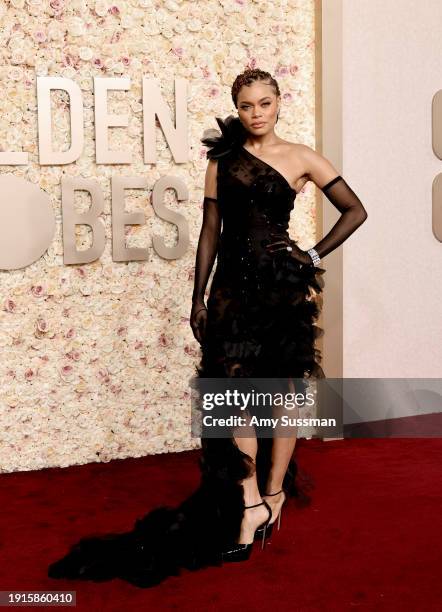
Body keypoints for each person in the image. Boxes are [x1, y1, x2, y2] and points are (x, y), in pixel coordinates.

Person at [47, 68, 367, 587]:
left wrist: (308, 255)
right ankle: (247, 503)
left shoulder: (303, 157)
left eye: (265, 103)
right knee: (234, 389)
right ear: (236, 108)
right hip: (231, 289)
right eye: (247, 105)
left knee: (283, 391)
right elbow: (210, 228)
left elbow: (355, 210)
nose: (256, 113)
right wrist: (198, 294)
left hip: (281, 290)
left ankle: (275, 493)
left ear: (279, 103)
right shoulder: (222, 159)